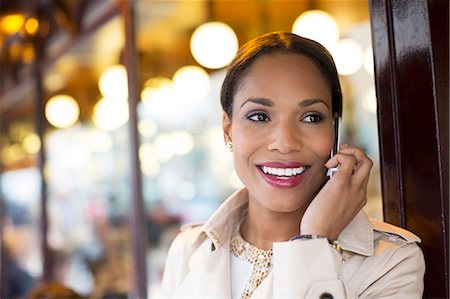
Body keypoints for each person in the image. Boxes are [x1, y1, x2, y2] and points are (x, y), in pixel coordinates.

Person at [160, 32, 425, 298]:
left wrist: (314, 242)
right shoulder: (188, 250)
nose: (285, 143)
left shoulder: (391, 263)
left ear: (334, 129)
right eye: (259, 116)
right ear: (228, 130)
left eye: (311, 117)